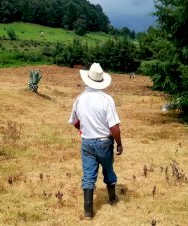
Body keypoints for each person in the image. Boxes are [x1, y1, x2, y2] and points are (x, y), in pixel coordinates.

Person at [68, 62, 123, 219]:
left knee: (88, 176)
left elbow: (74, 121)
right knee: (108, 170)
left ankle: (87, 212)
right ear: (101, 81)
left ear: (88, 79)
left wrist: (84, 130)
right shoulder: (107, 99)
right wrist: (119, 143)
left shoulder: (79, 99)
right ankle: (112, 199)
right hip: (104, 143)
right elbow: (114, 127)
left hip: (87, 142)